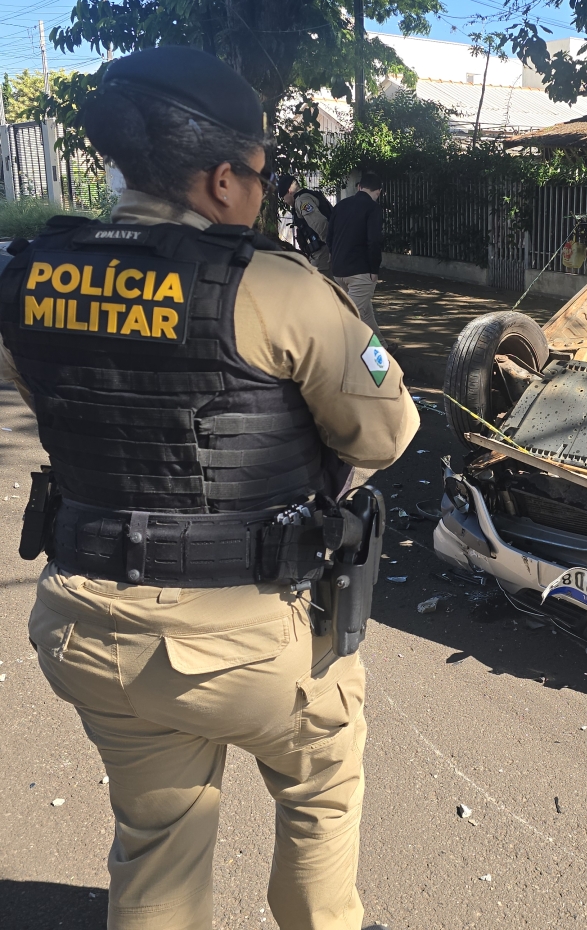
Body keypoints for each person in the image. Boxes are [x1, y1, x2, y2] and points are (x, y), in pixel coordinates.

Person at [0, 45, 417, 930]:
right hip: (251, 643)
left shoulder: (28, 274)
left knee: (155, 839)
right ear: (224, 179)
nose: (264, 193)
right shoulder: (277, 287)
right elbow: (389, 429)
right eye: (264, 175)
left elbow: (63, 404)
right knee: (322, 780)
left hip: (86, 628)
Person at [328, 171, 383, 335]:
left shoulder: (340, 205)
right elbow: (374, 241)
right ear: (378, 191)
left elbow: (329, 237)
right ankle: (333, 354)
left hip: (339, 270)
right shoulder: (373, 208)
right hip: (361, 272)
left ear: (359, 187)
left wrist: (335, 259)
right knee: (350, 318)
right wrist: (374, 270)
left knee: (365, 314)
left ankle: (382, 349)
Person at [279, 172, 335, 276]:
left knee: (319, 288)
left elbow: (320, 224)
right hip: (322, 252)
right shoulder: (307, 196)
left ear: (289, 191)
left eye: (283, 197)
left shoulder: (302, 200)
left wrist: (332, 247)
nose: (284, 201)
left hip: (322, 254)